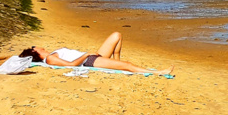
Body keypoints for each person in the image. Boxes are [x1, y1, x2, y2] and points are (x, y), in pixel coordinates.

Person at [21, 31, 174, 76]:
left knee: (117, 35)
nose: (38, 45)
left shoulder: (52, 53)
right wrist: (86, 55)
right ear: (35, 51)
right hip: (90, 61)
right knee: (127, 65)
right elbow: (72, 65)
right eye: (34, 47)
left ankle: (117, 63)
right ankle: (159, 72)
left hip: (93, 57)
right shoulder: (50, 59)